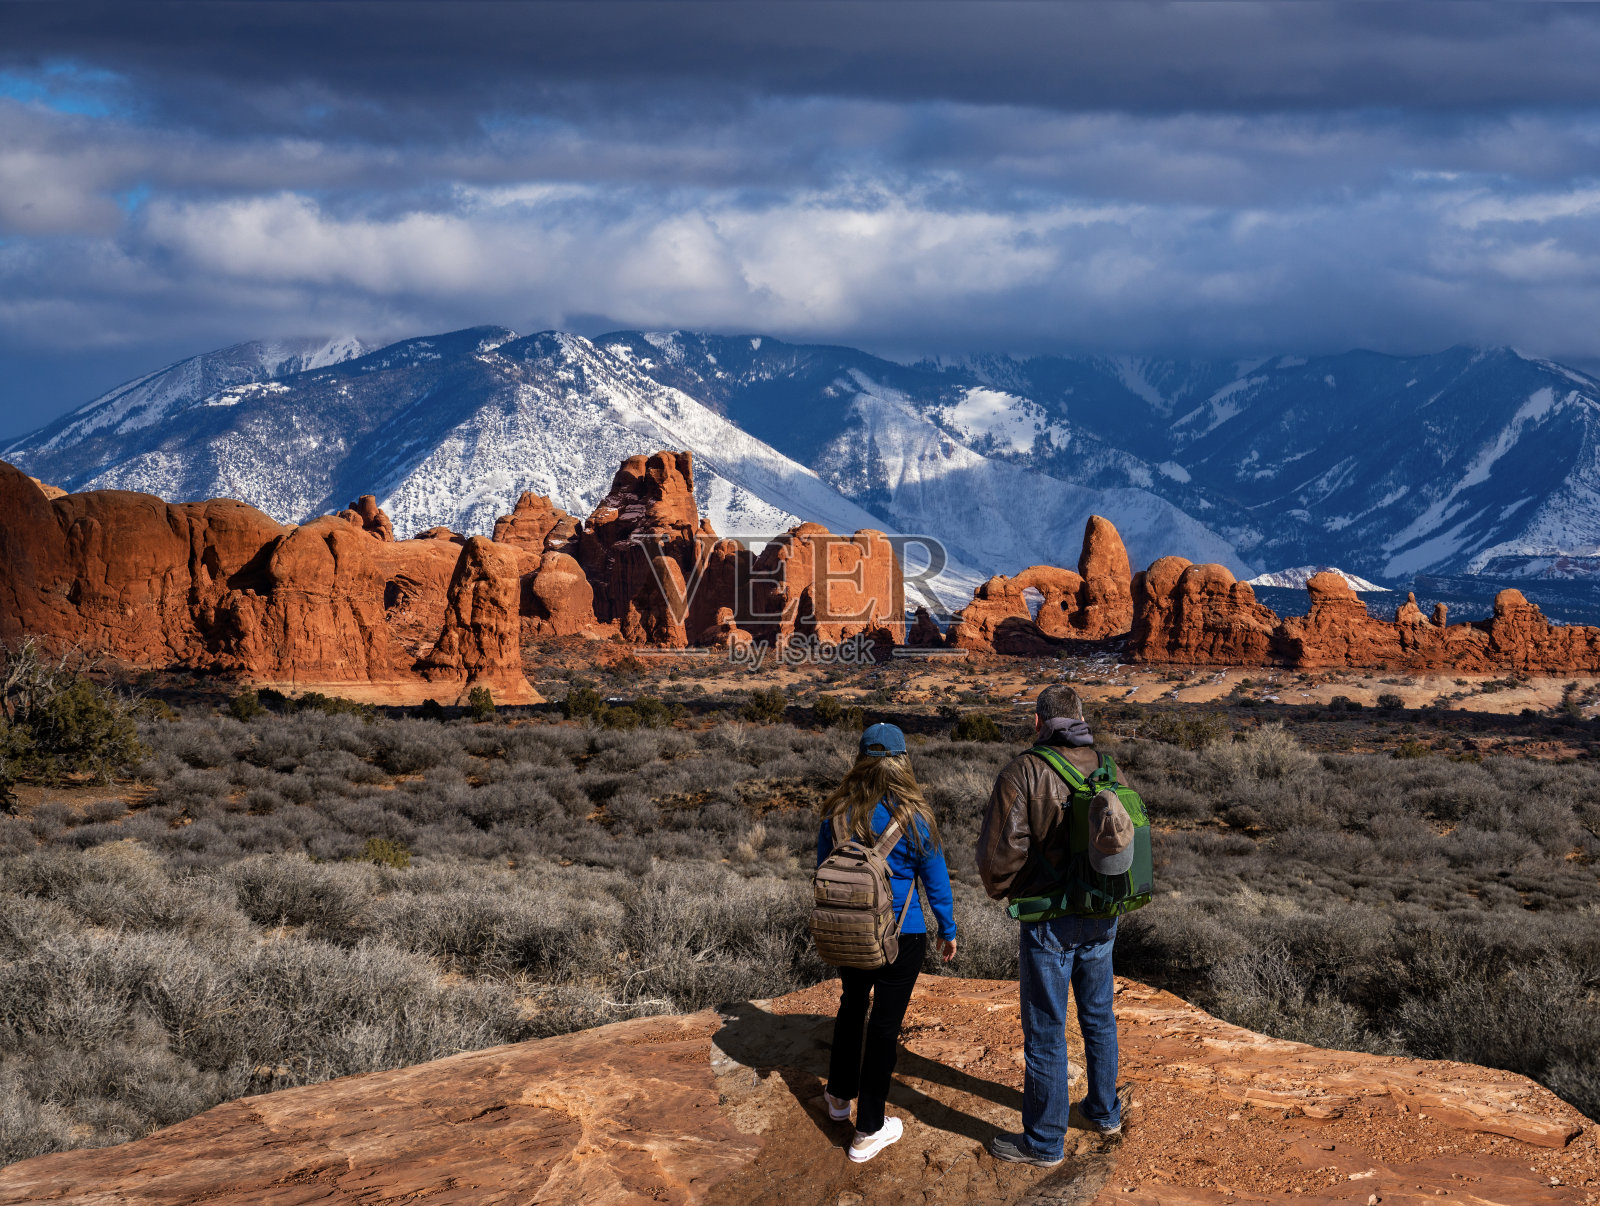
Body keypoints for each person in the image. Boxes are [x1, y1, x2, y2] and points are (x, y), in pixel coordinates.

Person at [976, 684, 1129, 1167]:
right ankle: (1103, 1111)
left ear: (1039, 722)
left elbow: (999, 857)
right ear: (1080, 719)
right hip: (1102, 913)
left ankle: (1044, 1142)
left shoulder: (1023, 772)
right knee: (1099, 1016)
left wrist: (1011, 893)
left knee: (1045, 1029)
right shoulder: (1107, 767)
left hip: (1049, 920)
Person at [818, 722, 958, 1163]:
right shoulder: (915, 817)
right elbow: (936, 882)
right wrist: (948, 930)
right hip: (903, 934)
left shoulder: (838, 811)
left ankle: (838, 1097)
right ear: (901, 761)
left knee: (851, 1007)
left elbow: (825, 869)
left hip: (849, 930)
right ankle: (868, 1130)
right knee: (883, 1028)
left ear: (861, 758)